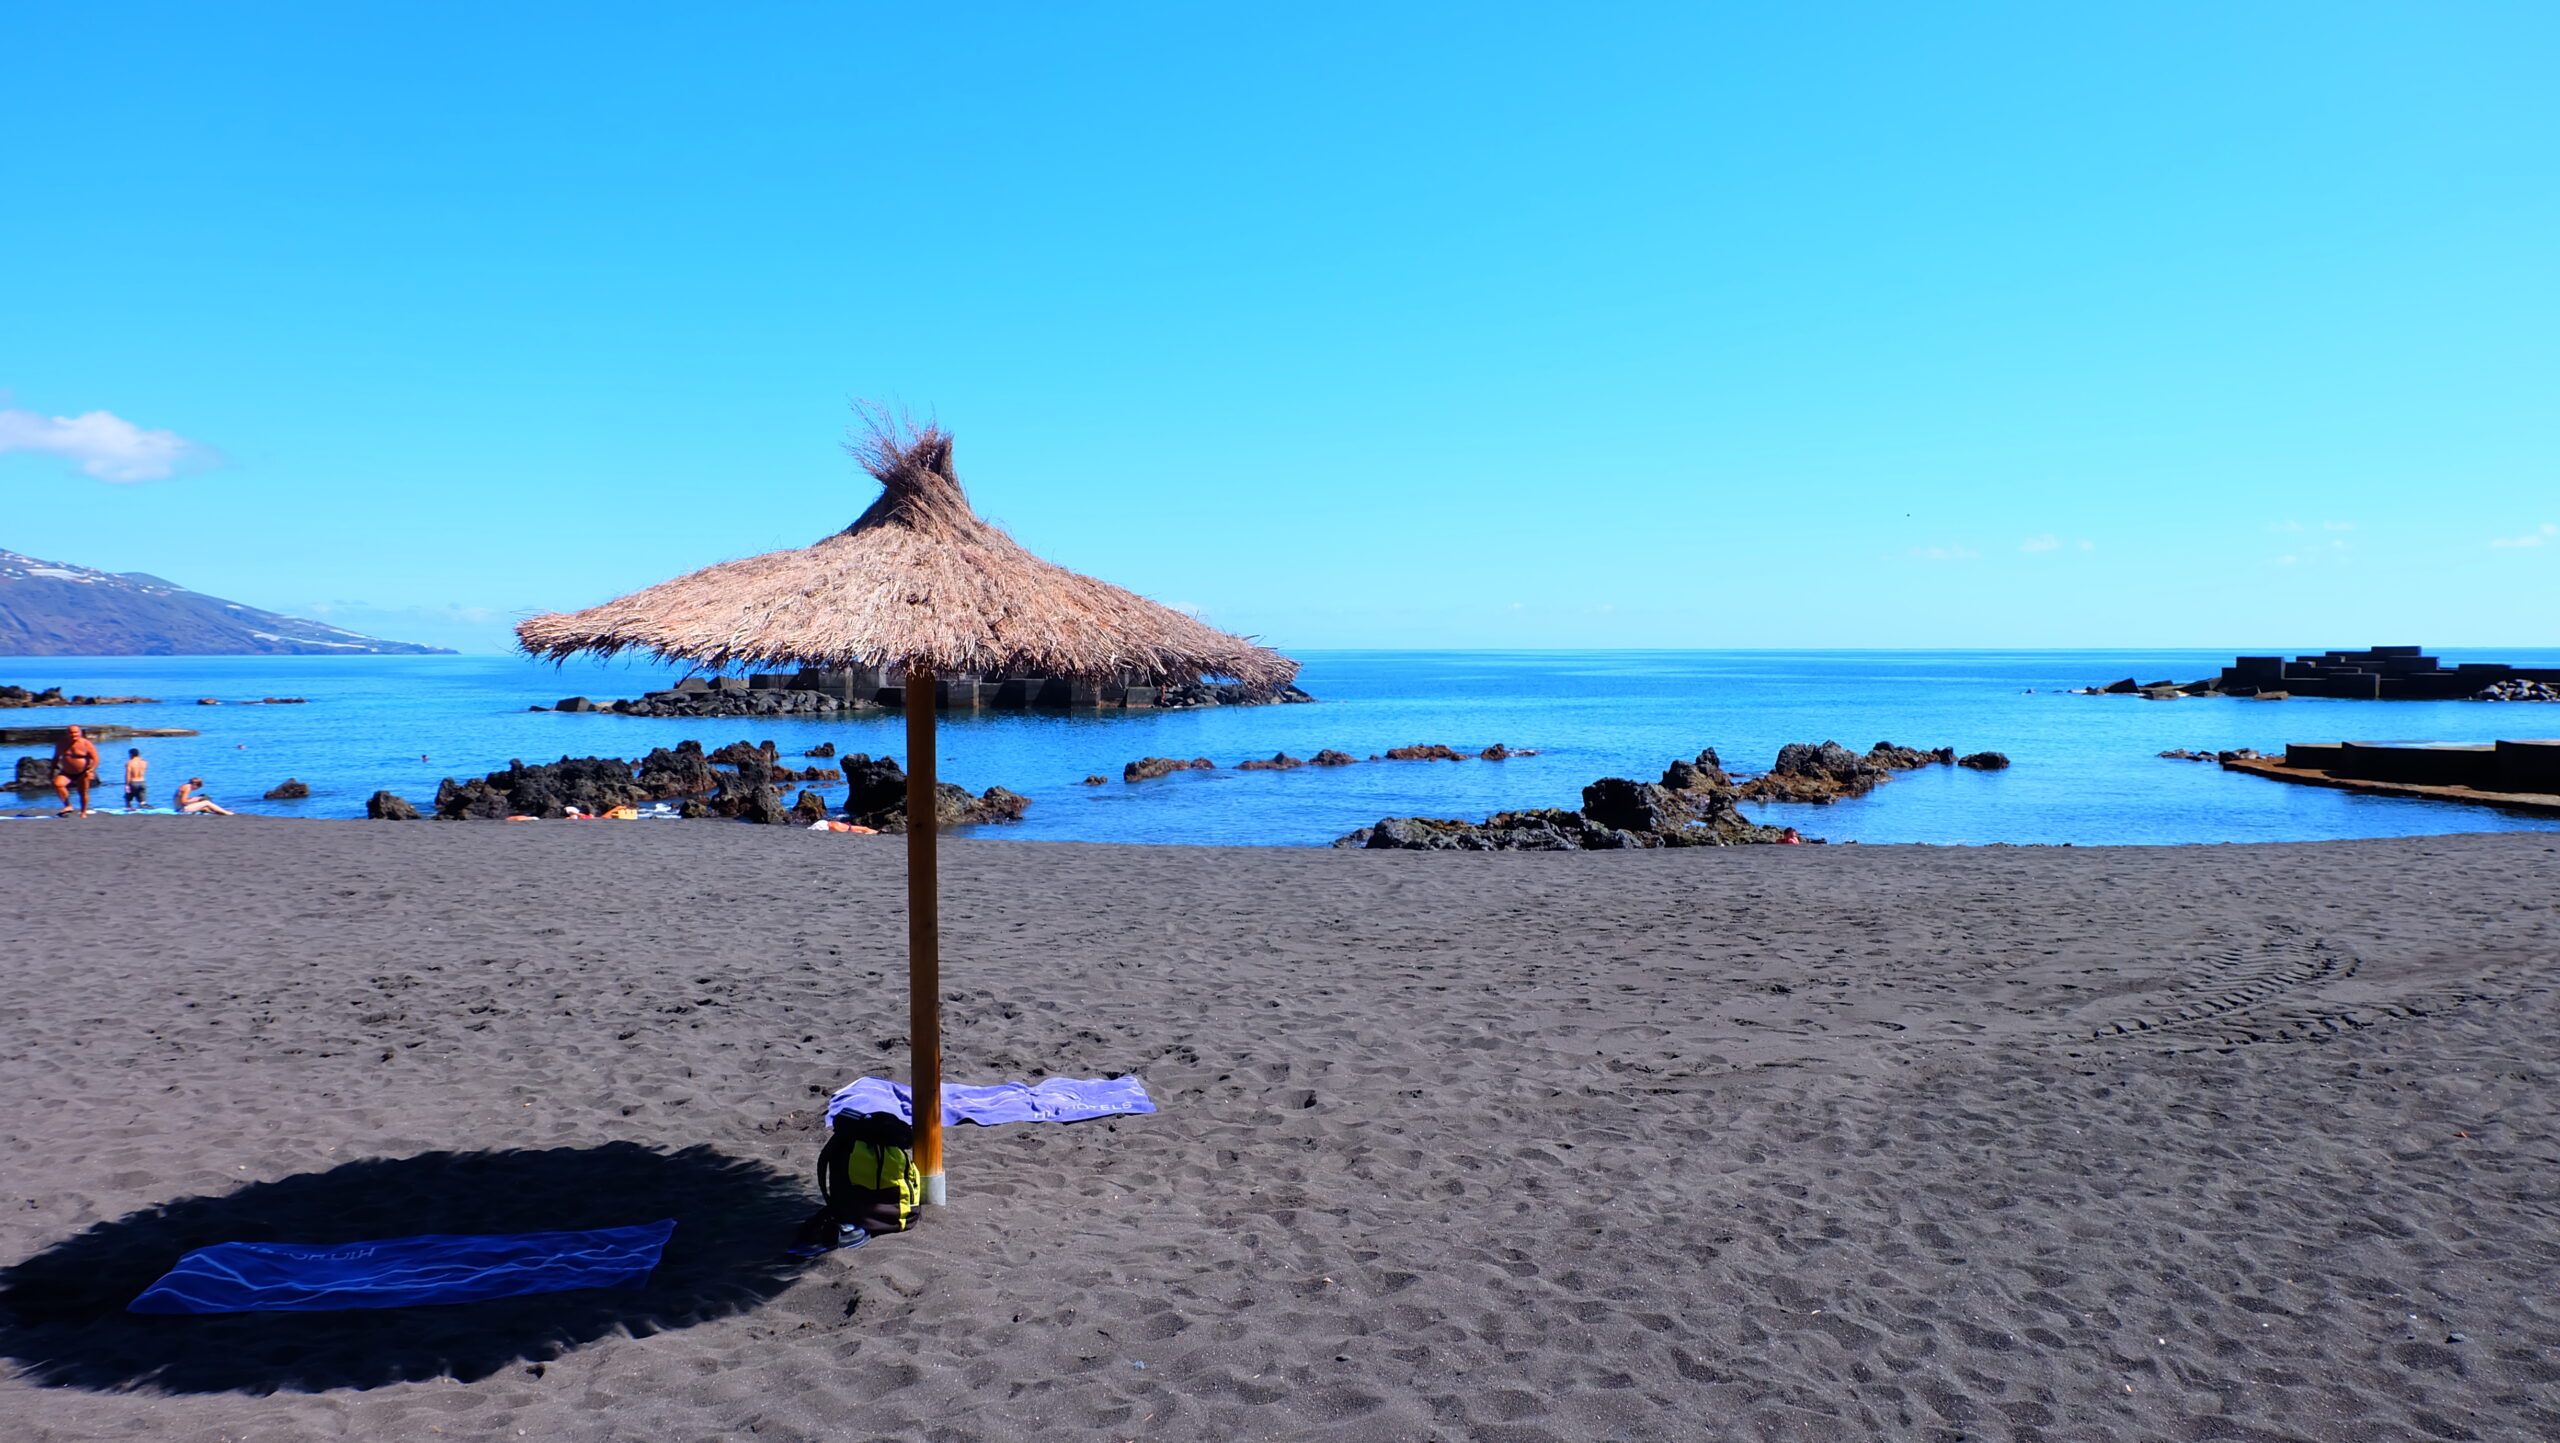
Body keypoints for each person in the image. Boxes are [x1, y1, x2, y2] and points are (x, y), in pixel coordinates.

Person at [51, 725, 100, 818]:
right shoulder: (62, 743)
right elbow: (56, 758)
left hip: (83, 772)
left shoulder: (86, 744)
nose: (74, 735)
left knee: (83, 792)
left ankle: (83, 812)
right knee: (58, 784)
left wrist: (91, 770)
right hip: (66, 772)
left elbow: (96, 759)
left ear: (80, 733)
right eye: (71, 733)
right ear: (67, 733)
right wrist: (51, 771)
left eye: (76, 732)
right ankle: (68, 805)